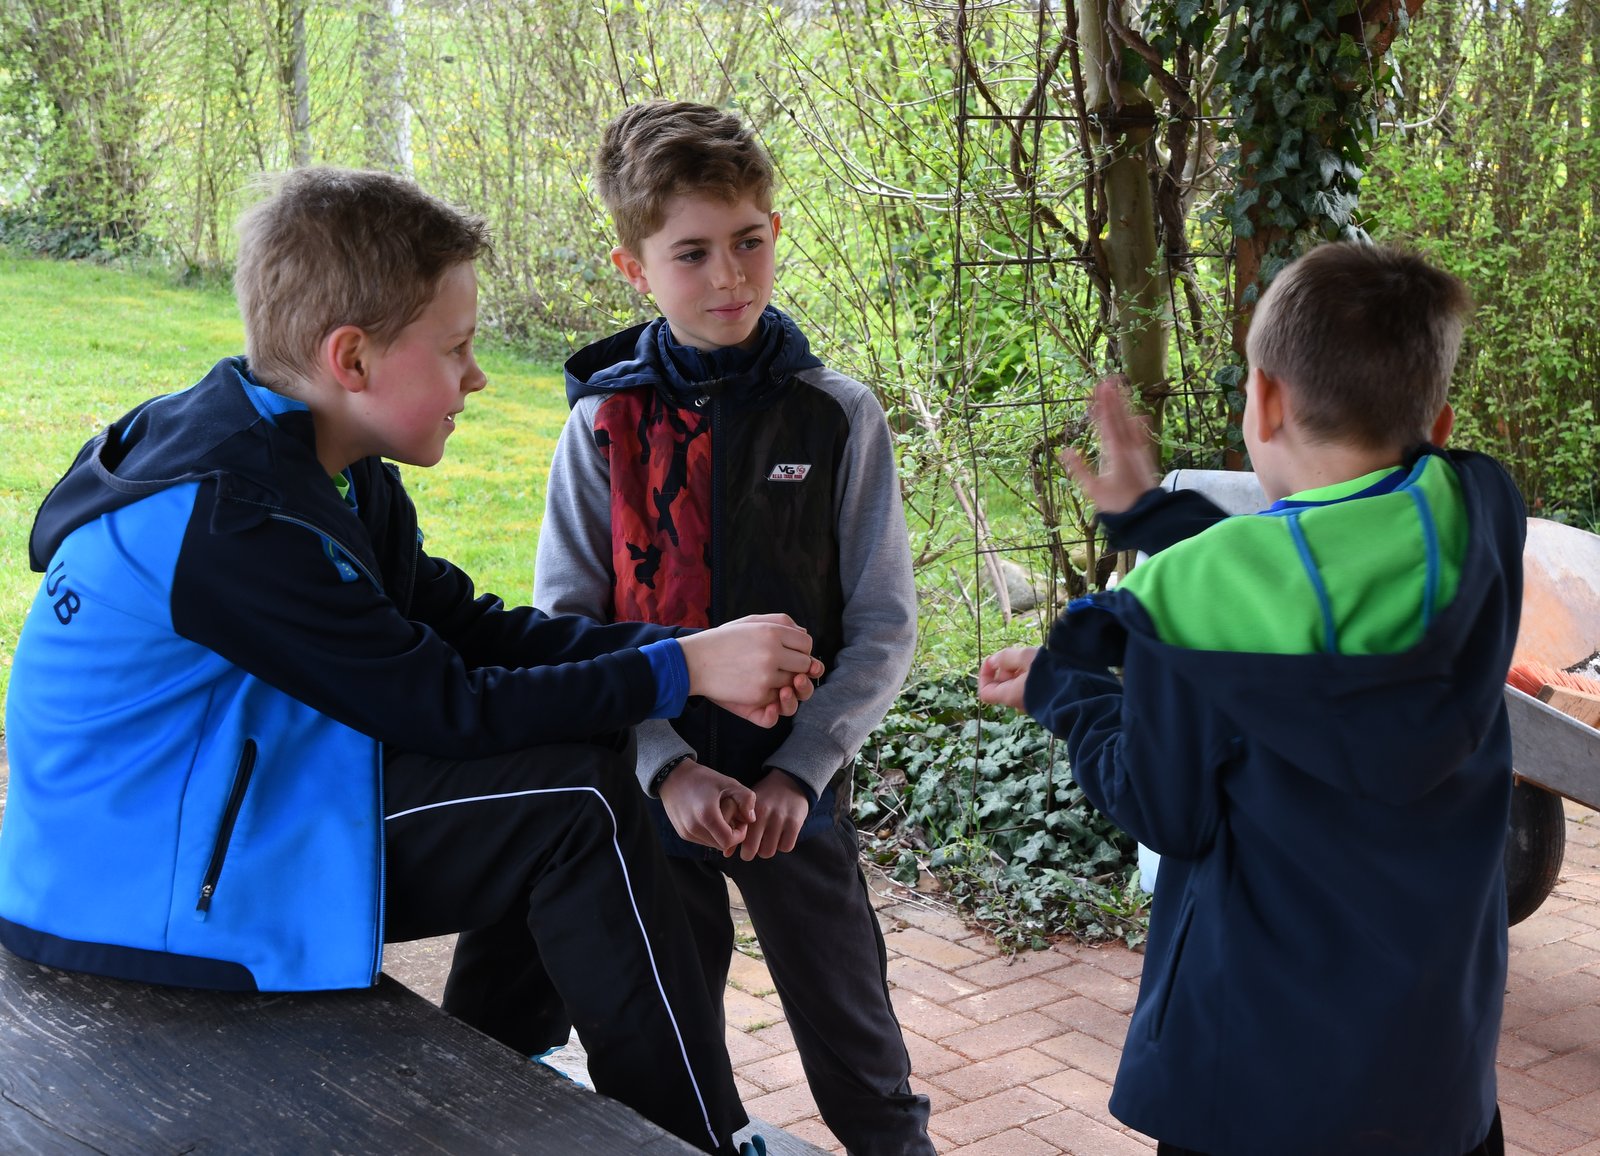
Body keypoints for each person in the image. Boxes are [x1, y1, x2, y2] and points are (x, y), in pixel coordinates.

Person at [0, 165, 821, 1156]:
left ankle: (494, 1065)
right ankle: (695, 1136)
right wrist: (682, 672)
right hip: (136, 885)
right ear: (351, 357)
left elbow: (464, 627)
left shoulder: (314, 461)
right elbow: (447, 708)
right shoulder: (236, 523)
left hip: (211, 811)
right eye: (458, 348)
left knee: (565, 772)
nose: (478, 377)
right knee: (577, 804)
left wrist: (678, 650)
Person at [978, 242, 1521, 1156]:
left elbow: (1163, 808)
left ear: (1262, 400)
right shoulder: (1479, 520)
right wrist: (1160, 521)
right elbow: (1329, 561)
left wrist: (1061, 688)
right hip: (1433, 1082)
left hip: (1252, 1090)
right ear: (1439, 422)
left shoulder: (1190, 616)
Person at [533, 100, 934, 1155]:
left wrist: (801, 772)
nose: (730, 277)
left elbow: (884, 622)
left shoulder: (837, 416)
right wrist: (664, 765)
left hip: (796, 798)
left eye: (749, 241)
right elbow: (566, 626)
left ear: (775, 230)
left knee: (862, 1059)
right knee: (665, 1058)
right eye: (693, 253)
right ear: (635, 269)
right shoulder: (601, 424)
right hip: (650, 801)